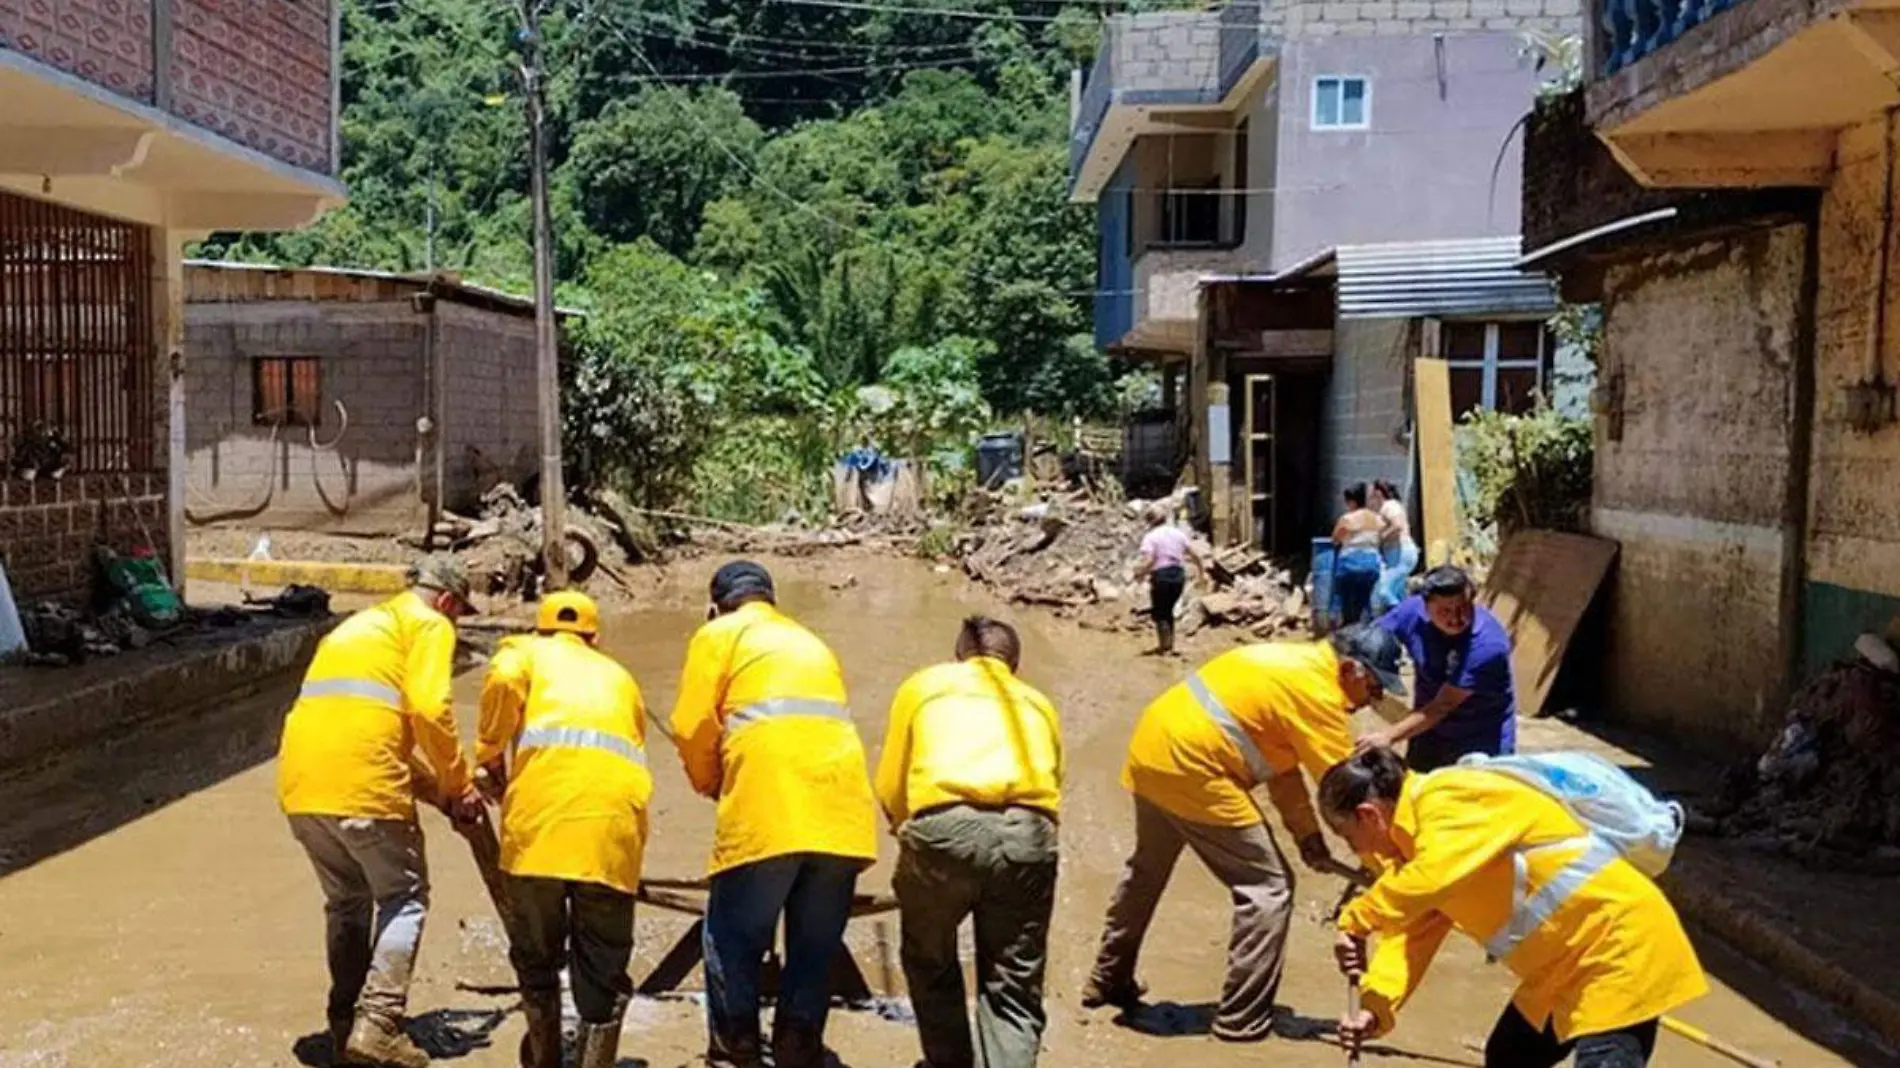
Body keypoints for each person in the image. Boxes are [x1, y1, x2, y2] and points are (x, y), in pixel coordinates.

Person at [1081, 624, 1407, 1042]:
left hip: (1153, 749)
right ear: (1351, 670)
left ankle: (1108, 979)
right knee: (1269, 888)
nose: (1373, 701)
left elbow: (1283, 771)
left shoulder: (1293, 664)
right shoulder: (1318, 695)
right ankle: (1242, 1020)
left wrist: (1307, 838)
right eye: (1375, 688)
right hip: (1195, 766)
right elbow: (1348, 795)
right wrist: (1387, 864)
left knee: (1147, 871)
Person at [1322, 747, 1707, 1067]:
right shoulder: (1413, 854)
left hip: (1619, 950)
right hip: (1562, 968)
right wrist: (1374, 1006)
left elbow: (1433, 875)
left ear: (1368, 815)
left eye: (1349, 836)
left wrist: (1356, 918)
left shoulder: (1448, 798)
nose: (1357, 851)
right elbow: (1409, 937)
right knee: (1509, 1057)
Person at [277, 555, 483, 1068]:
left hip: (302, 790)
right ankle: (380, 1025)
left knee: (347, 900)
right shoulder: (430, 624)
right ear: (450, 602)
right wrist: (461, 785)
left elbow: (370, 736)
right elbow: (431, 708)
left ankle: (344, 1023)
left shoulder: (356, 629)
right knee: (404, 897)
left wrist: (438, 793)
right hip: (365, 791)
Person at [670, 561, 879, 1068]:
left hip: (767, 808)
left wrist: (710, 783)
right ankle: (798, 1046)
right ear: (771, 599)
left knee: (731, 936)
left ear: (714, 606)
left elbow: (692, 725)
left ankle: (737, 1047)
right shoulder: (812, 642)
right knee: (815, 944)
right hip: (843, 816)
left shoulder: (718, 634)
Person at [477, 590, 653, 1068]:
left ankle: (545, 1056)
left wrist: (488, 752)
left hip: (537, 832)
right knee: (603, 967)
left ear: (541, 628)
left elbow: (505, 677)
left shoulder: (524, 652)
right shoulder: (621, 677)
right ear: (593, 637)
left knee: (536, 958)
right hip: (612, 836)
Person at [877, 617, 1062, 1068]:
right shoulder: (1038, 703)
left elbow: (891, 783)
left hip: (942, 828)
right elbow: (1055, 781)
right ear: (1013, 666)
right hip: (1029, 834)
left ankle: (948, 1062)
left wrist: (907, 830)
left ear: (958, 655)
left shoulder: (925, 686)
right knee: (1013, 983)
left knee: (930, 957)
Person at [1365, 565, 1517, 771]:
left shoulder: (1488, 644)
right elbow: (1373, 638)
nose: (1455, 619)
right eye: (1445, 611)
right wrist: (1373, 676)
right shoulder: (1410, 613)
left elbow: (1442, 705)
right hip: (1428, 731)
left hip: (1481, 738)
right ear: (1425, 607)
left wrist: (1388, 736)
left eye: (1463, 608)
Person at [1132, 501, 1209, 655]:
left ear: (1150, 521)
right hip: (1178, 575)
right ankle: (1170, 645)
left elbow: (1150, 560)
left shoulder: (1150, 537)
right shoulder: (1178, 534)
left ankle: (1164, 647)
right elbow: (1195, 554)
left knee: (1160, 612)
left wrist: (1140, 574)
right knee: (1169, 610)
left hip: (1161, 576)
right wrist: (1202, 573)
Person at [1332, 483, 1385, 625]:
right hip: (1371, 564)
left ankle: (1344, 632)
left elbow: (1335, 539)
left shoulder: (1347, 519)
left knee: (1344, 602)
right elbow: (1381, 538)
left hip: (1349, 563)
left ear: (1352, 501)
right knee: (1365, 601)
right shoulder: (1377, 519)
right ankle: (1365, 633)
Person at [1369, 479, 1418, 615]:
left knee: (1384, 590)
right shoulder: (1389, 506)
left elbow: (1397, 525)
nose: (1370, 497)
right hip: (1396, 554)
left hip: (1400, 553)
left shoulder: (1389, 506)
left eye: (1372, 493)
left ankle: (1400, 617)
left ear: (1379, 493)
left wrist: (1381, 538)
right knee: (1398, 592)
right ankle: (1408, 618)